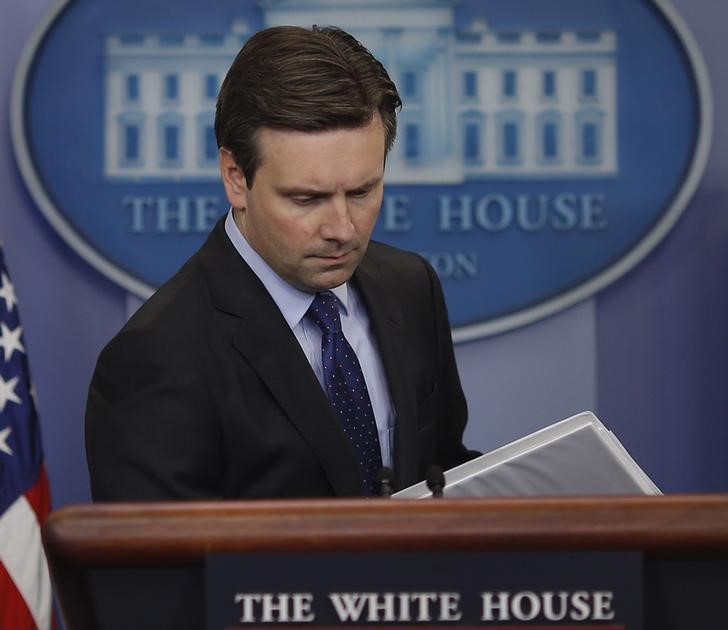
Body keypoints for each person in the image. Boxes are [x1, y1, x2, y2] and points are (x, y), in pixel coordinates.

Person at [85, 25, 475, 502]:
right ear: (235, 177)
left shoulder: (411, 287)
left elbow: (440, 470)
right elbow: (157, 570)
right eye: (306, 198)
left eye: (362, 192)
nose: (343, 228)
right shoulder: (157, 359)